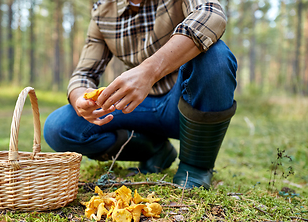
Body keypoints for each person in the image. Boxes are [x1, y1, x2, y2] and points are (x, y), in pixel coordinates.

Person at [44, 0, 237, 189]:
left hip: (185, 102)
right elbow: (84, 74)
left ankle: (195, 168)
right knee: (59, 128)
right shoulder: (103, 10)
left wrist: (149, 71)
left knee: (216, 56)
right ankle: (154, 150)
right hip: (135, 106)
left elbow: (212, 14)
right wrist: (79, 97)